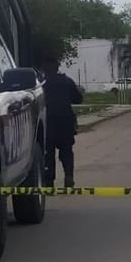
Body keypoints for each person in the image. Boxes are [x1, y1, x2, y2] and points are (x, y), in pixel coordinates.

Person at [42, 57, 83, 187]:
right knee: (66, 151)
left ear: (45, 70)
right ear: (57, 67)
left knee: (48, 153)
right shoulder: (68, 81)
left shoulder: (42, 85)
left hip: (48, 122)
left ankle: (49, 182)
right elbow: (77, 99)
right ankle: (69, 177)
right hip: (66, 121)